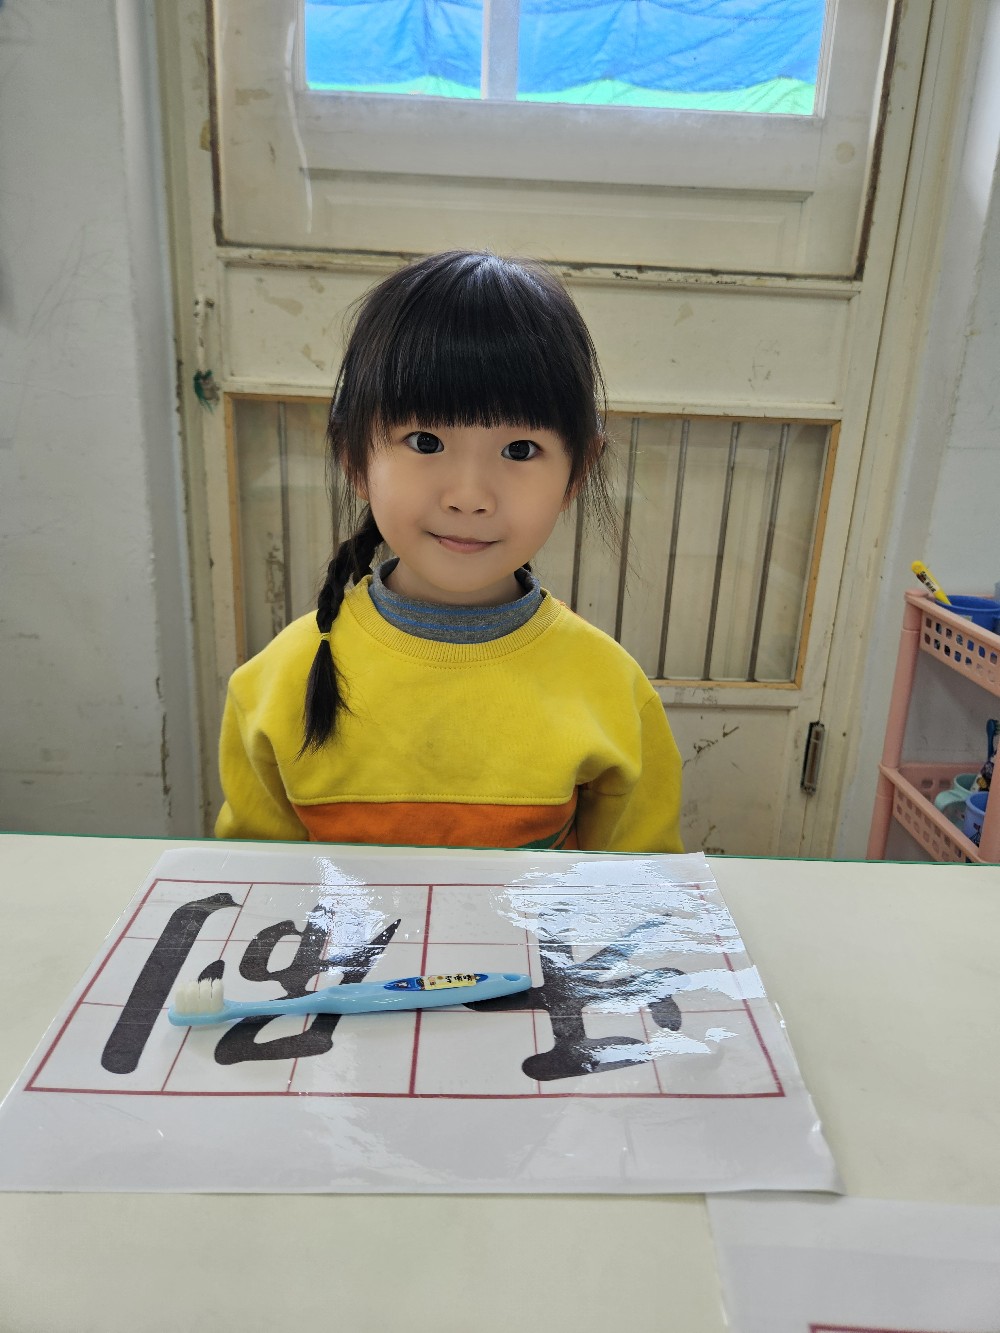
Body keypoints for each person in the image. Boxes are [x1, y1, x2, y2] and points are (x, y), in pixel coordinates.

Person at [216, 250, 683, 852]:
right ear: (354, 456)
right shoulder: (274, 685)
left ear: (577, 472)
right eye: (425, 440)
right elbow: (254, 886)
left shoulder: (612, 689)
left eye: (519, 450)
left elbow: (642, 888)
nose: (468, 497)